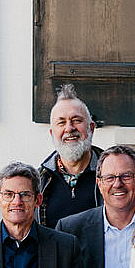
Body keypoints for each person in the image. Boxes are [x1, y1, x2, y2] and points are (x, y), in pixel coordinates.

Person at [36, 85, 104, 227]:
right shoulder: (39, 180)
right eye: (61, 122)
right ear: (52, 133)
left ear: (91, 128)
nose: (69, 128)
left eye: (76, 120)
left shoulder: (111, 175)